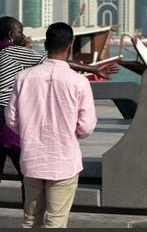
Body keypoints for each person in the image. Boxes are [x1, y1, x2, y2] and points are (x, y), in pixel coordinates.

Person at [0, 15, 116, 204]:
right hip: (3, 117)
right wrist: (94, 70)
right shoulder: (12, 51)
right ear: (11, 35)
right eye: (20, 31)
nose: (23, 35)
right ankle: (29, 210)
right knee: (27, 175)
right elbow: (54, 59)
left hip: (5, 116)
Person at [5, 22, 96, 228]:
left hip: (32, 159)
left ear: (45, 45)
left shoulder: (23, 78)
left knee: (30, 221)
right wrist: (70, 134)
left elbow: (11, 117)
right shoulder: (79, 82)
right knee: (56, 222)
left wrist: (29, 132)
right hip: (63, 162)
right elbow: (87, 126)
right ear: (70, 46)